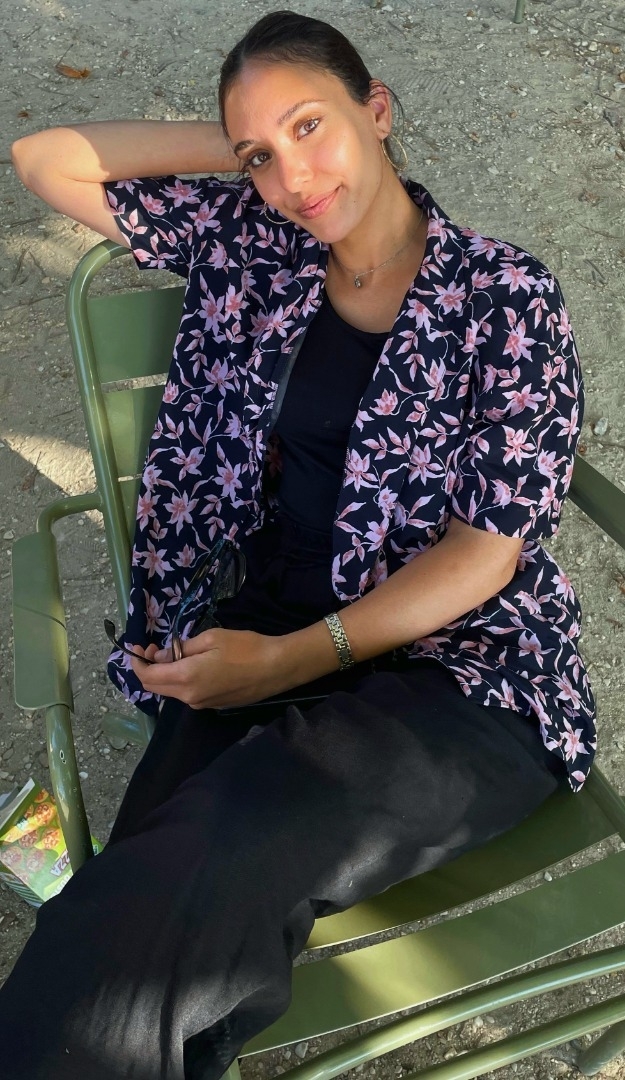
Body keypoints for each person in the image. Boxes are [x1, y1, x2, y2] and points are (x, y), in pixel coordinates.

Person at [2, 10, 595, 1080]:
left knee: (211, 850)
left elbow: (485, 555)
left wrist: (288, 661)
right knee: (136, 903)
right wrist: (249, 146)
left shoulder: (504, 298)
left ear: (379, 110)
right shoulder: (257, 243)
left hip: (463, 673)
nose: (295, 177)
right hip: (263, 623)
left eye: (314, 126)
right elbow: (44, 158)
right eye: (260, 157)